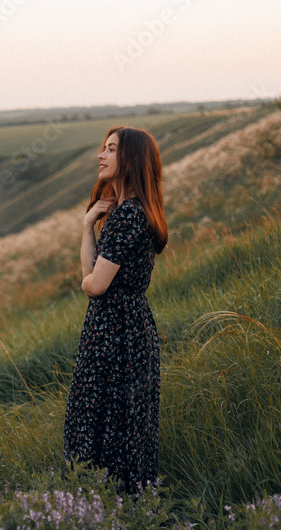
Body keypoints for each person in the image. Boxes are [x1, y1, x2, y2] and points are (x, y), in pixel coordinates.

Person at [62, 126, 168, 493]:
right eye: (102, 148)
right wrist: (88, 225)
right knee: (119, 425)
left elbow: (94, 284)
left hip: (117, 335)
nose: (100, 156)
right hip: (122, 330)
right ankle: (120, 513)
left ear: (131, 159)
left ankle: (108, 515)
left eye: (110, 149)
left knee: (103, 424)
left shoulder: (128, 216)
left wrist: (86, 283)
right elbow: (92, 276)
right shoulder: (129, 212)